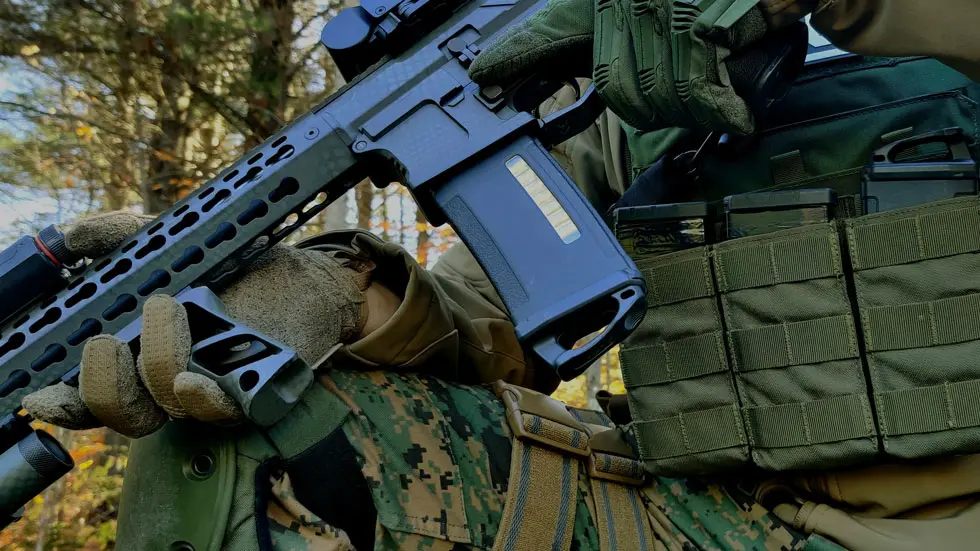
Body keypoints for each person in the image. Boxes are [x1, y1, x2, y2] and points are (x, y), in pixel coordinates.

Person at [17, 1, 980, 549]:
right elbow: (488, 318)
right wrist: (332, 294)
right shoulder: (640, 91)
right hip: (713, 528)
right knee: (252, 431)